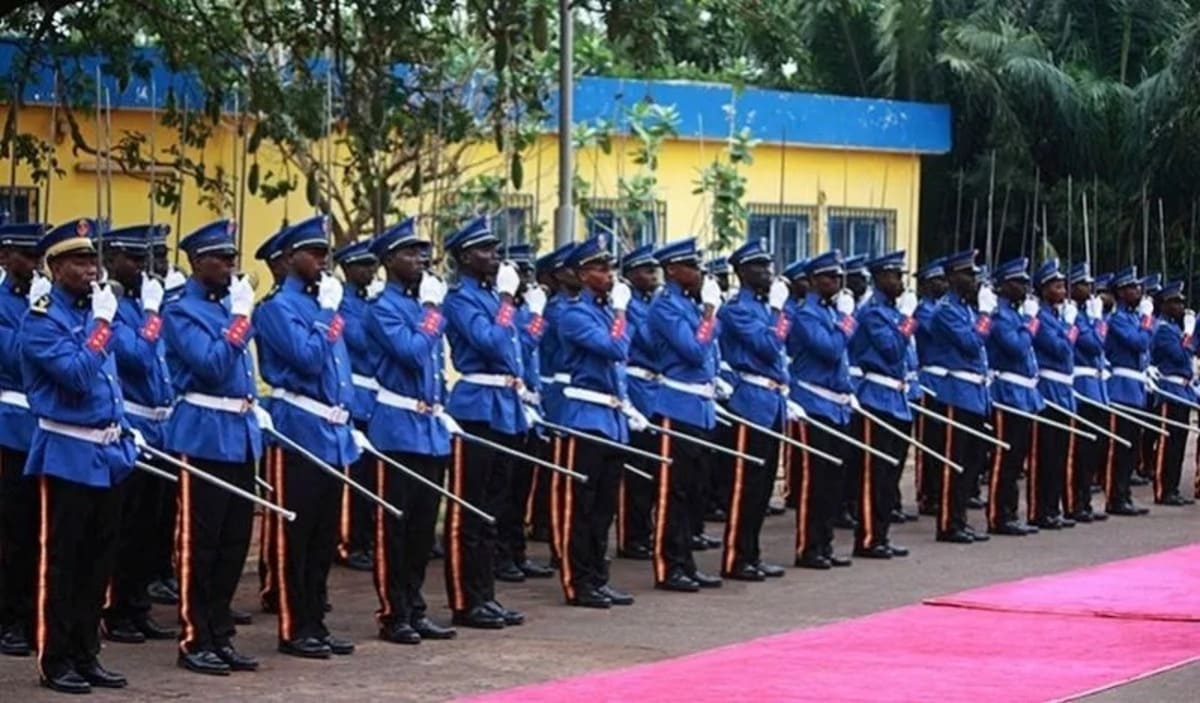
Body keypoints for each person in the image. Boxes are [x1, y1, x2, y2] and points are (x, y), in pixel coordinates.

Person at [22, 218, 137, 693]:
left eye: (92, 259)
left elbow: (112, 386)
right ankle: (56, 658)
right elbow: (76, 375)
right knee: (63, 563)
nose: (89, 269)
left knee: (97, 563)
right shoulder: (42, 320)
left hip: (105, 455)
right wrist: (104, 325)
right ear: (53, 267)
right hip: (66, 452)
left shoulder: (95, 310)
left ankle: (87, 652)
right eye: (77, 261)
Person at [254, 215, 360, 658]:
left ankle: (315, 620)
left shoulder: (321, 305)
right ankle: (294, 626)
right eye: (313, 253)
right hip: (299, 431)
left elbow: (338, 370)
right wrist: (329, 315)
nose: (321, 261)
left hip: (331, 432)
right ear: (289, 258)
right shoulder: (277, 308)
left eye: (324, 253)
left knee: (322, 539)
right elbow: (309, 360)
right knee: (295, 539)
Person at [162, 219, 263, 675]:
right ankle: (195, 637)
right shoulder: (181, 311)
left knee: (232, 543)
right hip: (203, 433)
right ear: (197, 263)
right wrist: (241, 320)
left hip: (238, 434)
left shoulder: (226, 309)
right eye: (220, 258)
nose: (229, 265)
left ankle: (221, 634)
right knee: (201, 545)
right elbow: (210, 365)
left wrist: (237, 317)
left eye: (231, 257)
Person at [363, 217, 458, 644]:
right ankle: (393, 613)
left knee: (422, 529)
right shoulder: (382, 308)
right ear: (386, 261)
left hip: (428, 428)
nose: (420, 259)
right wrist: (434, 313)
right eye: (409, 252)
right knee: (394, 528)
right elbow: (412, 352)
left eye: (422, 251)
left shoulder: (420, 305)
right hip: (397, 429)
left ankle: (416, 606)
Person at [441, 215, 529, 628]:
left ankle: (485, 595)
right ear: (463, 257)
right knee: (470, 511)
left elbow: (519, 347)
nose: (493, 256)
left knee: (492, 510)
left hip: (504, 406)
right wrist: (509, 303)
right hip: (476, 407)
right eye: (484, 250)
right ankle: (465, 599)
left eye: (494, 248)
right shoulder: (460, 300)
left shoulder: (495, 298)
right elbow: (491, 342)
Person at [98, 224, 179, 645]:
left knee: (150, 527)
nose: (146, 268)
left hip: (158, 426)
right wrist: (152, 314)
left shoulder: (143, 304)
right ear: (111, 260)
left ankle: (138, 606)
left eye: (149, 259)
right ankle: (116, 610)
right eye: (135, 258)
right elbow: (138, 358)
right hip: (131, 425)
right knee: (125, 527)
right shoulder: (109, 307)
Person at [554, 233, 639, 607]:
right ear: (581, 275)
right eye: (601, 268)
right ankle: (578, 582)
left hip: (612, 418)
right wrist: (622, 313)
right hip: (586, 418)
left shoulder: (604, 312)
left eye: (610, 267)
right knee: (581, 507)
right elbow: (616, 349)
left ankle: (598, 578)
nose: (609, 275)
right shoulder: (575, 314)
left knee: (605, 508)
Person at [646, 237, 723, 591]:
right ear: (674, 271)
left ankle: (687, 563)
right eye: (692, 266)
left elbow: (710, 351)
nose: (700, 272)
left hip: (701, 409)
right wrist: (709, 312)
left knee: (694, 492)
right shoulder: (666, 307)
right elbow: (693, 351)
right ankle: (669, 566)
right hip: (677, 408)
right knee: (672, 493)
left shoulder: (689, 305)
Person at [715, 239, 790, 580]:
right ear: (742, 272)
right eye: (759, 267)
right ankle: (735, 558)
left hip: (771, 403)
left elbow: (777, 350)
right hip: (749, 404)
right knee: (745, 486)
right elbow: (768, 345)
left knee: (761, 489)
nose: (767, 272)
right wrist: (778, 312)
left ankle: (753, 553)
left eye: (768, 265)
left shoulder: (763, 309)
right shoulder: (736, 310)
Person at [788, 251, 856, 569]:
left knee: (833, 482)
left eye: (839, 277)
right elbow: (830, 351)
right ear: (815, 281)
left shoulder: (828, 313)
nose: (838, 283)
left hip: (836, 405)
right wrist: (846, 322)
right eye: (830, 277)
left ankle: (825, 544)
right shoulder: (806, 315)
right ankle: (809, 547)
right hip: (814, 404)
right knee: (814, 483)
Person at [847, 250, 916, 559]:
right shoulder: (873, 313)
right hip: (876, 399)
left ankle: (882, 534)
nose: (900, 281)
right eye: (894, 275)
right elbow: (890, 350)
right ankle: (868, 537)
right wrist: (908, 321)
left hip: (896, 399)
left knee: (890, 474)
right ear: (879, 279)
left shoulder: (888, 311)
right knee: (874, 476)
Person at [923, 249, 992, 544]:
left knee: (973, 462)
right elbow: (970, 343)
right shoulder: (946, 311)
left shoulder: (965, 309)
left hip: (974, 394)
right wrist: (987, 316)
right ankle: (949, 523)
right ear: (953, 278)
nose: (974, 279)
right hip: (956, 395)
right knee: (955, 462)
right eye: (968, 274)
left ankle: (960, 519)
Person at [0, 222, 47, 658]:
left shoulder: (50, 300)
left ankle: (33, 615)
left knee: (40, 531)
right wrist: (36, 318)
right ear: (4, 256)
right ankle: (9, 618)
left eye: (39, 257)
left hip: (46, 430)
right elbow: (18, 358)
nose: (34, 265)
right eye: (26, 255)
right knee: (11, 530)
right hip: (9, 428)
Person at [493, 242, 553, 583]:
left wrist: (534, 314)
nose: (526, 280)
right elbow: (505, 343)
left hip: (526, 404)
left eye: (529, 273)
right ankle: (501, 555)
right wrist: (529, 314)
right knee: (503, 490)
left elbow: (528, 347)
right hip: (504, 404)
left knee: (520, 489)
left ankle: (516, 551)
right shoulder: (503, 313)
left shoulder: (523, 312)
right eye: (519, 273)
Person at [985, 258, 1043, 536]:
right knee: (1004, 459)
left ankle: (1010, 512)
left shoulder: (1015, 316)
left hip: (1023, 395)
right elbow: (1018, 348)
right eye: (1019, 282)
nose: (1025, 286)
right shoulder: (1000, 317)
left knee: (1016, 460)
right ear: (1005, 286)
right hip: (1007, 395)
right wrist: (1032, 322)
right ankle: (998, 515)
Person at [333, 239, 381, 572]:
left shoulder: (370, 302)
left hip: (377, 398)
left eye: (372, 264)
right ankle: (350, 542)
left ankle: (367, 537)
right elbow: (363, 343)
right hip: (357, 395)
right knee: (357, 475)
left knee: (374, 476)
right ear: (347, 269)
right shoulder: (342, 305)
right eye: (362, 265)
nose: (370, 270)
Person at [615, 244, 661, 561]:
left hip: (654, 388)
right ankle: (631, 536)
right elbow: (647, 341)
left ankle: (644, 531)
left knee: (652, 469)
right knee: (636, 470)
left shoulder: (647, 303)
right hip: (636, 385)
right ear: (630, 275)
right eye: (646, 271)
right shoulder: (628, 305)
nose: (653, 276)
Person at [1029, 259, 1078, 529]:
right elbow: (1060, 349)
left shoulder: (1056, 317)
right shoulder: (1041, 319)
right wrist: (1071, 329)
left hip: (1063, 392)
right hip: (1048, 392)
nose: (1063, 291)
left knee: (1059, 455)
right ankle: (1039, 510)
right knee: (1044, 457)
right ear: (1045, 289)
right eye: (1058, 286)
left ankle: (1052, 508)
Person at [1103, 266, 1153, 516]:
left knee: (1132, 447)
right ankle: (1115, 497)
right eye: (1132, 287)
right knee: (1119, 448)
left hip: (1135, 389)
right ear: (1122, 292)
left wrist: (1144, 322)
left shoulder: (1132, 318)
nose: (1138, 291)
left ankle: (1125, 495)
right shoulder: (1118, 319)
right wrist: (1147, 321)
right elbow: (1140, 342)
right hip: (1121, 389)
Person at [1065, 263, 1109, 522]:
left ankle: (1085, 503)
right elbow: (1094, 345)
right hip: (1081, 388)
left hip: (1096, 388)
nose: (1090, 289)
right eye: (1084, 284)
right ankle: (1074, 504)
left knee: (1092, 451)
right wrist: (1097, 320)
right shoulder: (1076, 318)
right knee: (1079, 453)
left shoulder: (1085, 316)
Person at [1148, 280, 1198, 506]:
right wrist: (1189, 333)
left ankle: (1173, 488)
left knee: (1179, 443)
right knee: (1168, 443)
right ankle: (1163, 489)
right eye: (1176, 302)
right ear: (1165, 305)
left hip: (1182, 390)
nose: (1181, 306)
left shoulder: (1174, 329)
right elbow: (1180, 355)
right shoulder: (1163, 330)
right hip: (1169, 390)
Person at [913, 258, 947, 516]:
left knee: (942, 442)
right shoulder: (924, 310)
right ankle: (927, 493)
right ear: (925, 284)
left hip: (944, 382)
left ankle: (938, 492)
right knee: (930, 442)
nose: (942, 284)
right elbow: (937, 334)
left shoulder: (940, 308)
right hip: (929, 382)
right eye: (937, 280)